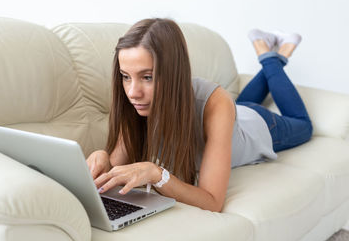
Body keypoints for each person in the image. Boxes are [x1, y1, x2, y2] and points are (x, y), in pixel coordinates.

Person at [86, 18, 313, 212]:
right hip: (231, 115)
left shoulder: (216, 102)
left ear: (174, 73)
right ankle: (272, 55)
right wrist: (103, 158)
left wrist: (157, 175)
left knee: (304, 125)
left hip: (259, 125)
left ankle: (270, 52)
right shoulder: (136, 106)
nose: (133, 92)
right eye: (126, 76)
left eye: (148, 77)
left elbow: (212, 202)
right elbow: (114, 172)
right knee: (241, 103)